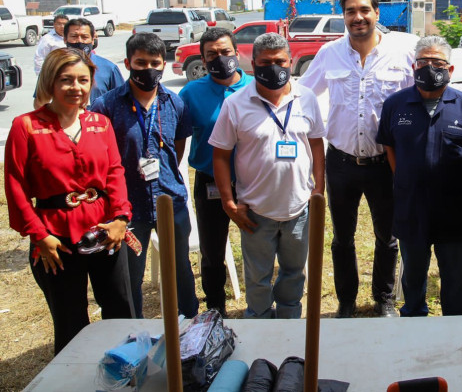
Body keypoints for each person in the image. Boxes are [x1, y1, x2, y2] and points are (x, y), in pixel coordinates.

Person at [4, 48, 133, 355]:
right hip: (55, 238)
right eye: (66, 80)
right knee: (70, 318)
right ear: (50, 81)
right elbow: (15, 186)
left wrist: (120, 218)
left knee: (120, 308)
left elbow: (115, 172)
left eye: (83, 80)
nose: (76, 87)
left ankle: (127, 371)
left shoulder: (100, 123)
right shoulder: (27, 127)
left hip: (104, 231)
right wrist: (39, 236)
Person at [300, 0, 416, 318]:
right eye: (350, 11)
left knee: (388, 236)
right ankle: (346, 301)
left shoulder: (400, 54)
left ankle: (384, 298)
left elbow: (420, 98)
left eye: (364, 10)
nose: (358, 17)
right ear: (344, 16)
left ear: (377, 14)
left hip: (384, 164)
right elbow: (303, 93)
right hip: (342, 163)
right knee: (342, 239)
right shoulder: (329, 54)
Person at [209, 33, 326, 318]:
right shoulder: (236, 104)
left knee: (293, 274)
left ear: (290, 61)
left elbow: (316, 144)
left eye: (280, 61)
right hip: (255, 212)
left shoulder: (306, 98)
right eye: (265, 62)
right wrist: (228, 201)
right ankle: (260, 323)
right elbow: (221, 155)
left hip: (298, 208)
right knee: (258, 278)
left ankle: (288, 322)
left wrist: (318, 190)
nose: (273, 68)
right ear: (253, 64)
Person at [90, 33, 199, 319]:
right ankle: (130, 331)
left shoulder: (175, 104)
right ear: (128, 63)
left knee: (180, 269)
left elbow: (177, 146)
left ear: (164, 64)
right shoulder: (106, 106)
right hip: (126, 207)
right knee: (128, 277)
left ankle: (190, 324)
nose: (148, 69)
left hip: (170, 200)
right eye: (141, 63)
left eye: (155, 62)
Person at [376, 36, 462, 317]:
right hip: (411, 208)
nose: (429, 67)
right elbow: (390, 146)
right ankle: (413, 319)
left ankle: (455, 328)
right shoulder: (395, 105)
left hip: (453, 209)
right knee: (413, 276)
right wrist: (407, 178)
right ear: (413, 66)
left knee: (454, 278)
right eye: (423, 62)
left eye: (437, 62)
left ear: (451, 69)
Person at [179, 27, 253, 316]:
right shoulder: (191, 93)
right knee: (212, 251)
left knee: (257, 243)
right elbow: (178, 137)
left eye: (225, 52)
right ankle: (215, 307)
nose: (220, 58)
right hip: (210, 182)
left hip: (251, 181)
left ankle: (259, 305)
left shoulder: (255, 87)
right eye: (212, 55)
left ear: (236, 52)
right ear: (203, 59)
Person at [34, 18, 124, 108]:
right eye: (74, 36)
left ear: (93, 40)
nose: (79, 41)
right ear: (65, 39)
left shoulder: (109, 68)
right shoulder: (52, 66)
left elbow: (122, 101)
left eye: (85, 37)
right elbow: (40, 102)